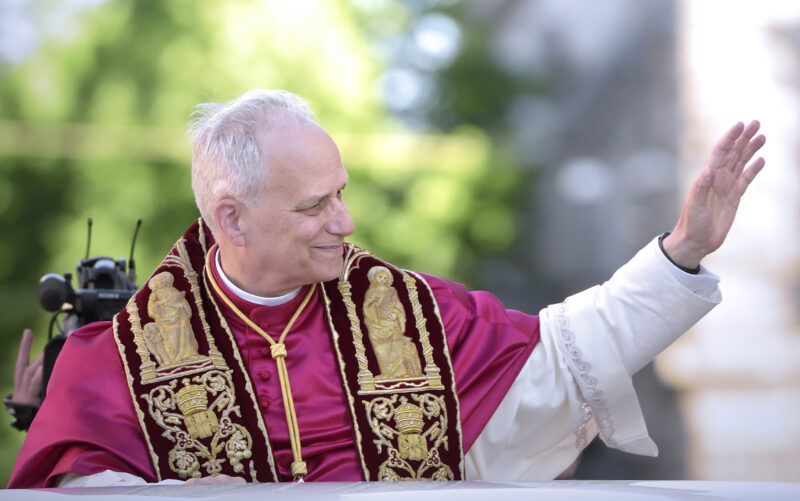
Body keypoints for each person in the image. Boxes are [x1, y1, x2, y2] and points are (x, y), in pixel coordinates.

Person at [7, 89, 766, 488]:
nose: (344, 222)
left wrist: (681, 251)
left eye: (340, 192)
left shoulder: (409, 314)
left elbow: (566, 356)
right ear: (231, 217)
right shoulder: (116, 360)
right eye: (313, 206)